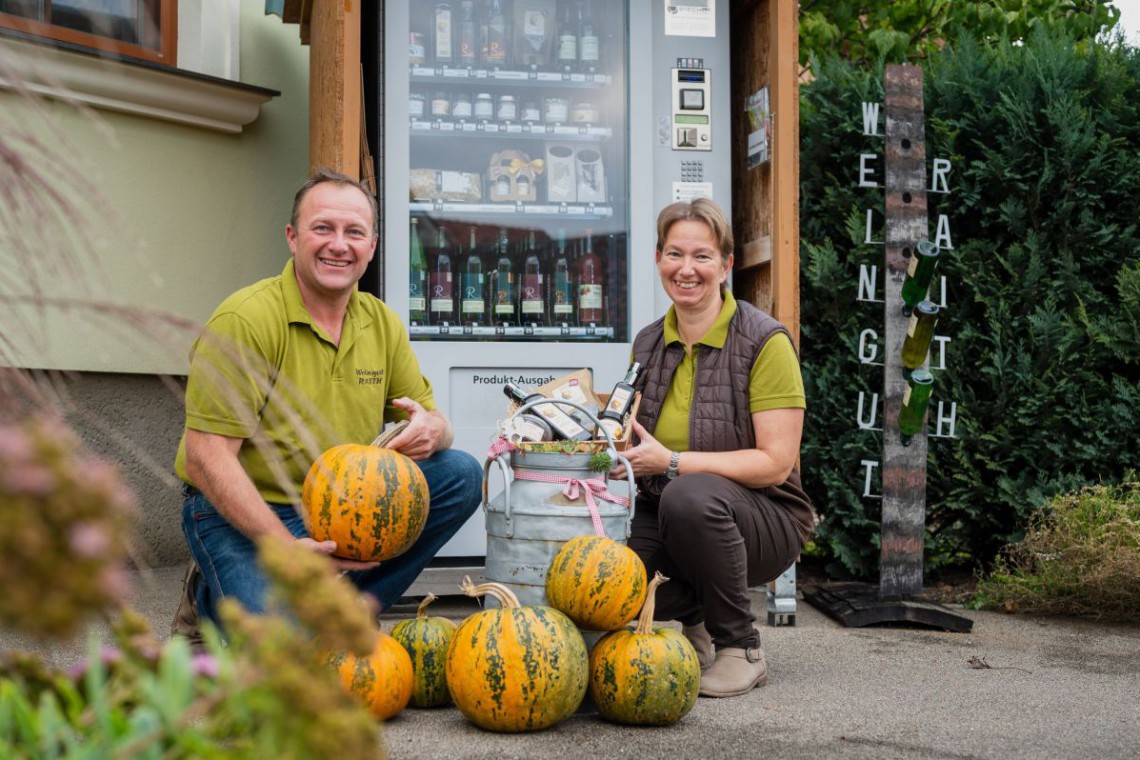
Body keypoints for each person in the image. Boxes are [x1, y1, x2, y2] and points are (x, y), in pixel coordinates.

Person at [171, 168, 482, 631]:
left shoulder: (380, 322)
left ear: (371, 247)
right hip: (248, 511)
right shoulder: (247, 319)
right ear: (293, 238)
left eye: (354, 232)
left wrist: (433, 430)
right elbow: (205, 456)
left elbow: (436, 419)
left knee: (460, 474)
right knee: (284, 660)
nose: (339, 245)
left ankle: (336, 610)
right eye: (323, 228)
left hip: (342, 510)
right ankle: (213, 599)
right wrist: (282, 545)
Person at [615, 197, 814, 698]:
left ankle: (741, 647)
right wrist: (597, 459)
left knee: (690, 495)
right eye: (674, 254)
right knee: (608, 564)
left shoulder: (765, 342)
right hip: (668, 509)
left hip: (763, 520)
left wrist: (674, 463)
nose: (686, 269)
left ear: (726, 265)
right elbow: (626, 436)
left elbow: (776, 463)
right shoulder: (647, 343)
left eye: (702, 256)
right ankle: (695, 625)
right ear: (658, 259)